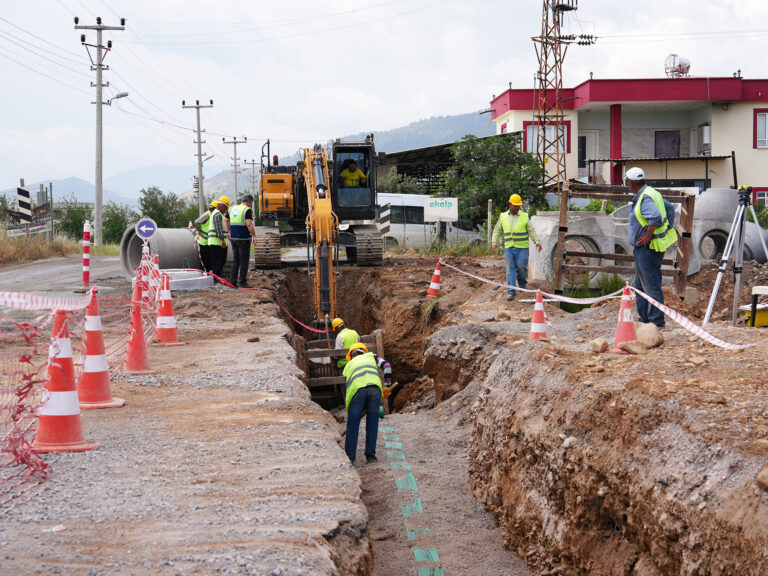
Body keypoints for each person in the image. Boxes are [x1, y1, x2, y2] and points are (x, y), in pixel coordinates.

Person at [625, 167, 678, 328]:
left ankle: (656, 322)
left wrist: (648, 236)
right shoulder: (651, 192)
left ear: (631, 183)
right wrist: (666, 228)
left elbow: (655, 216)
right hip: (648, 248)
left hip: (648, 248)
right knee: (641, 286)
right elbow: (669, 209)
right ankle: (644, 320)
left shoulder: (645, 198)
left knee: (651, 286)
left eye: (627, 182)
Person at [342, 343, 392, 464]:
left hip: (356, 391)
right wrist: (387, 386)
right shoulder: (372, 356)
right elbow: (387, 366)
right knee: (372, 423)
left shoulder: (348, 365)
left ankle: (350, 458)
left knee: (352, 425)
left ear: (353, 354)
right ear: (364, 351)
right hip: (375, 389)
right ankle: (370, 456)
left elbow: (348, 388)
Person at [492, 194, 542, 300]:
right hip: (509, 247)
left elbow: (531, 230)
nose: (516, 208)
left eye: (518, 206)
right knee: (510, 268)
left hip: (522, 248)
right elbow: (497, 230)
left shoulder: (524, 216)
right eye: (514, 205)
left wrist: (536, 241)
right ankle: (511, 290)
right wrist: (494, 242)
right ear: (510, 204)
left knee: (521, 268)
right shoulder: (503, 216)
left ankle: (522, 286)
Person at [228, 194, 256, 288]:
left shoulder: (232, 209)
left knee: (236, 261)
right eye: (251, 203)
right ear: (249, 202)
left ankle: (233, 281)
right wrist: (254, 235)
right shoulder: (247, 210)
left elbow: (225, 220)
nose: (251, 205)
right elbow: (249, 224)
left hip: (234, 239)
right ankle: (242, 282)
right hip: (243, 239)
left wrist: (227, 231)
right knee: (244, 261)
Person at [208, 196, 231, 277]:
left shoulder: (217, 213)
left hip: (215, 242)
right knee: (218, 262)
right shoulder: (217, 214)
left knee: (219, 262)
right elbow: (218, 228)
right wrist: (222, 240)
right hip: (217, 243)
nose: (226, 209)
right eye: (226, 207)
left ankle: (216, 278)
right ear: (222, 205)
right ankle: (216, 278)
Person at [193, 200, 216, 272]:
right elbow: (197, 222)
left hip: (208, 241)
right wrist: (199, 231)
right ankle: (205, 273)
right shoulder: (207, 214)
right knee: (205, 260)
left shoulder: (212, 215)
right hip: (203, 241)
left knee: (208, 259)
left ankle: (208, 273)